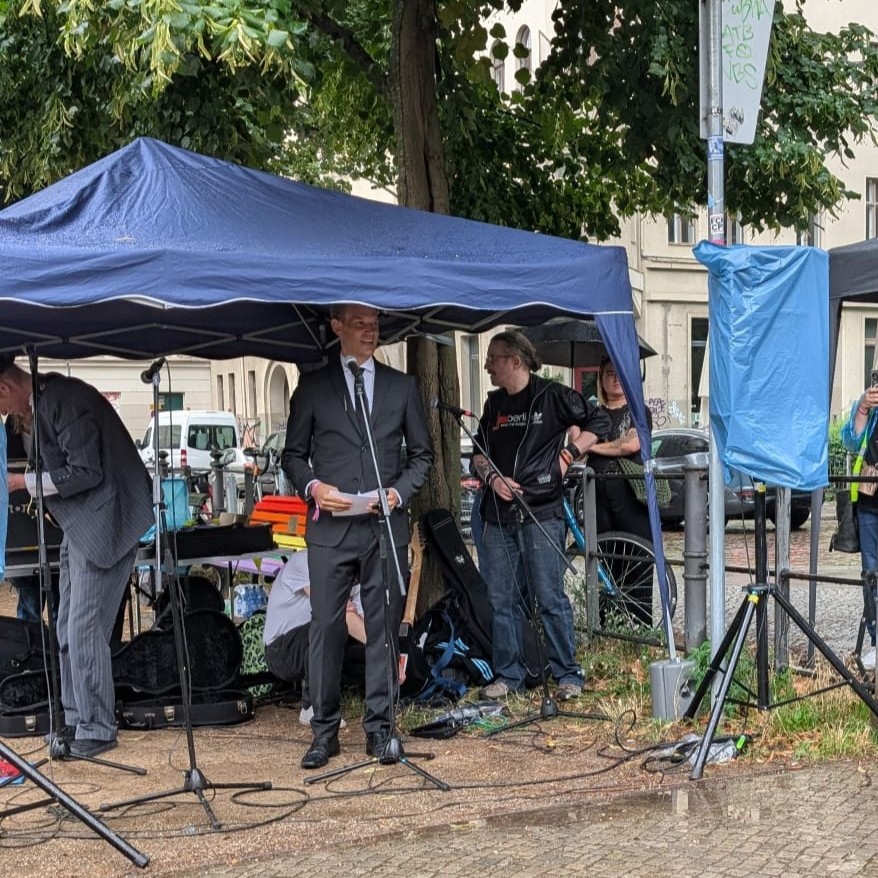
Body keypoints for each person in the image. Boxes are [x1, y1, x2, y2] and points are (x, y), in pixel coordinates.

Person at [282, 304, 433, 770]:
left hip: (380, 526)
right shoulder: (312, 387)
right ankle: (324, 732)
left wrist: (397, 493)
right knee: (325, 628)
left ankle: (381, 729)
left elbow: (422, 456)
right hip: (330, 528)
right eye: (361, 325)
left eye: (375, 326)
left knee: (382, 630)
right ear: (337, 328)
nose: (371, 333)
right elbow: (292, 455)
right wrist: (313, 487)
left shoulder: (401, 387)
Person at [0, 354, 153, 757]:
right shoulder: (47, 400)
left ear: (5, 389)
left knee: (83, 628)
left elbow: (87, 471)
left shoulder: (63, 400)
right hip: (81, 522)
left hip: (105, 518)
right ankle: (75, 718)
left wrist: (23, 481)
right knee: (67, 625)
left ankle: (98, 726)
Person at [472, 330, 610, 700]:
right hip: (497, 515)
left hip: (542, 510)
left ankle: (568, 674)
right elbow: (477, 454)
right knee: (502, 599)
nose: (487, 366)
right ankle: (508, 675)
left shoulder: (553, 395)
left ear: (515, 361)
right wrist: (491, 478)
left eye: (493, 358)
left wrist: (569, 454)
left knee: (549, 596)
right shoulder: (494, 405)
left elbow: (600, 421)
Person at [263, 550, 366, 728]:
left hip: (317, 641)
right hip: (280, 651)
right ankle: (313, 706)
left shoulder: (356, 575)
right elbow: (333, 609)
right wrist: (384, 649)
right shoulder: (304, 561)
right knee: (329, 623)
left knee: (360, 643)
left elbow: (362, 624)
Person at [841, 381, 878, 670]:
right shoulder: (872, 404)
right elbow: (850, 442)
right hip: (869, 503)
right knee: (872, 576)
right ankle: (877, 644)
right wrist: (863, 407)